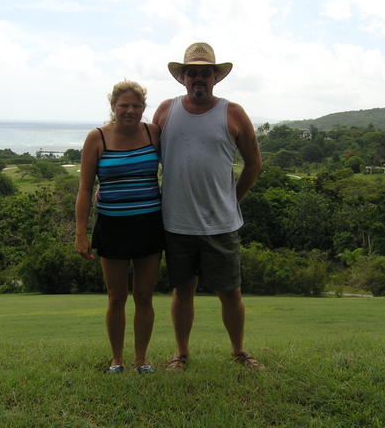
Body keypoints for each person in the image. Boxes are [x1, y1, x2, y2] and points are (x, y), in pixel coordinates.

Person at [152, 42, 264, 371]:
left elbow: (254, 164)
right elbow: (148, 159)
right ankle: (181, 354)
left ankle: (239, 351)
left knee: (230, 292)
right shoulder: (164, 111)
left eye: (205, 72)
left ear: (216, 77)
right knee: (182, 292)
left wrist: (232, 199)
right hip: (176, 222)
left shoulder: (233, 112)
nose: (198, 78)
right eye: (192, 72)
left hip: (222, 224)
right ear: (182, 77)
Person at [75, 80, 164, 374]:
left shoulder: (154, 133)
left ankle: (141, 359)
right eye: (124, 105)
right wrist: (80, 233)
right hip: (112, 226)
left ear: (143, 108)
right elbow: (86, 188)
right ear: (113, 107)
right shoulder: (97, 137)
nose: (130, 110)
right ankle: (117, 359)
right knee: (116, 297)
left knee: (144, 296)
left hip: (150, 223)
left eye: (136, 106)